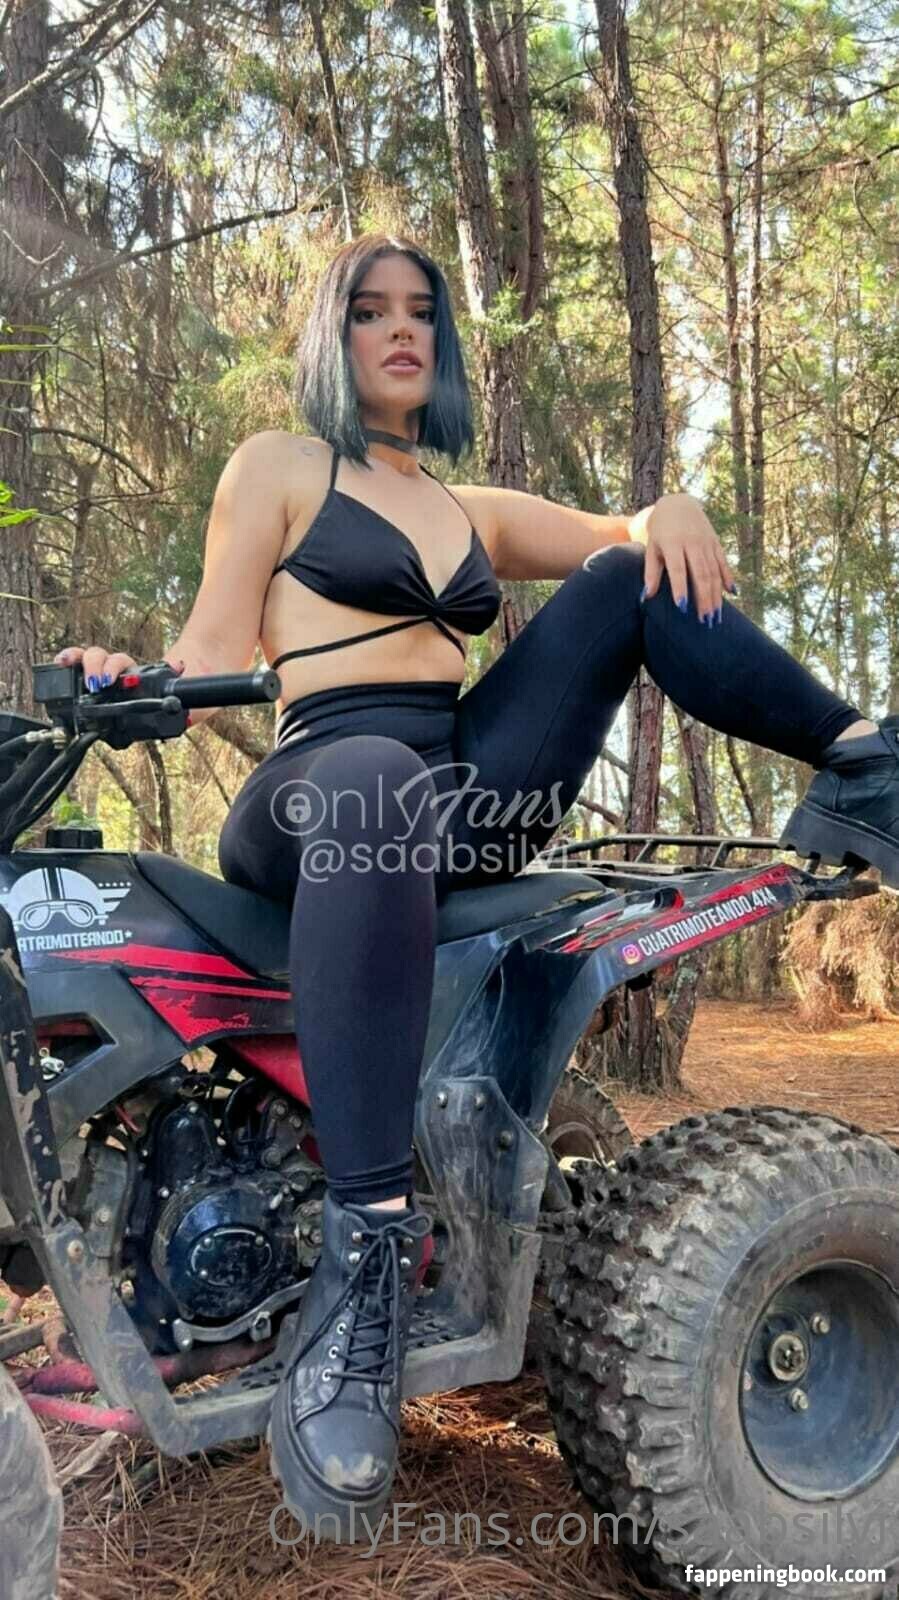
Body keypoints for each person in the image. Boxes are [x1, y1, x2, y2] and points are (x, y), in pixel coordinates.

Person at [53, 232, 899, 1541]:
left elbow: (625, 538)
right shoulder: (280, 466)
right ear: (332, 337)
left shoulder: (470, 511)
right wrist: (129, 680)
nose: (402, 330)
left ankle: (863, 762)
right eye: (370, 310)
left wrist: (667, 510)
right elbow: (212, 643)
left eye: (422, 313)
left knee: (625, 580)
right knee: (375, 773)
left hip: (463, 798)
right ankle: (366, 1260)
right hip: (322, 790)